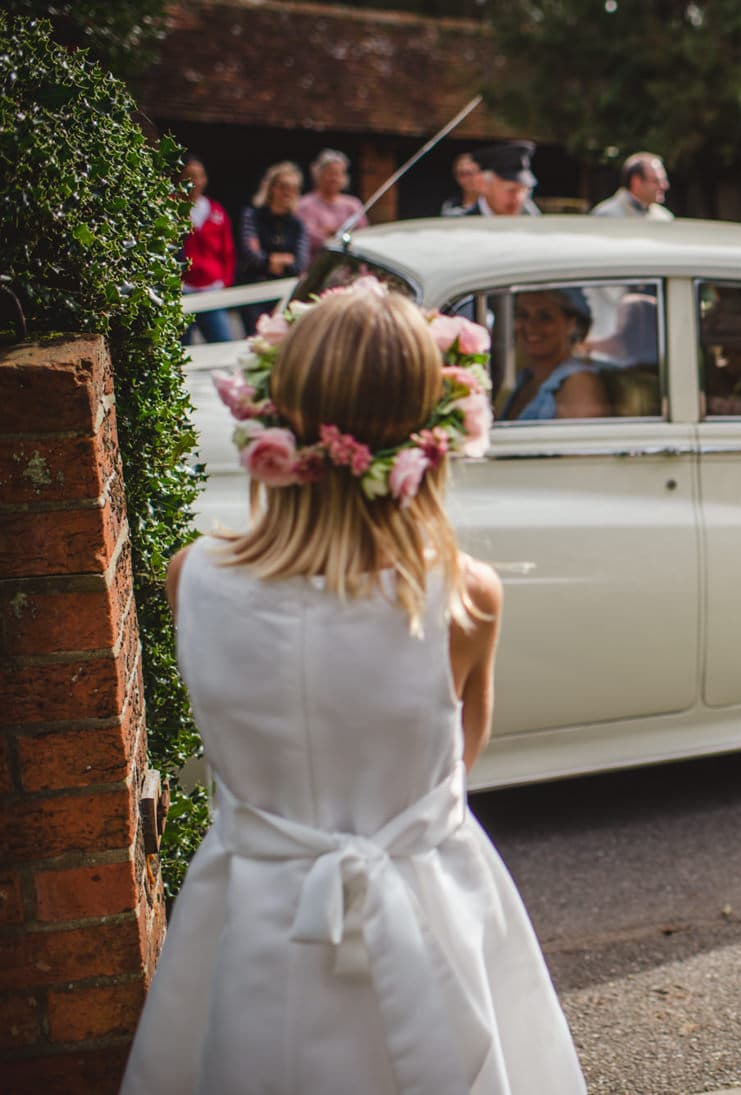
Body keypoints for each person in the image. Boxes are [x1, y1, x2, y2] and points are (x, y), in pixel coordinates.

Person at [119, 282, 586, 1095]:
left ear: (278, 409)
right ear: (430, 430)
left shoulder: (191, 575)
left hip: (250, 912)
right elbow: (454, 768)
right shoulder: (465, 599)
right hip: (426, 910)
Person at [500, 287, 610, 420]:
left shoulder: (578, 385)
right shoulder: (525, 378)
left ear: (571, 325)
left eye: (545, 317)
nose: (530, 326)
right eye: (522, 315)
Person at [237, 161, 309, 331]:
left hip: (284, 294)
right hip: (253, 292)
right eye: (283, 186)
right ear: (271, 188)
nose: (287, 192)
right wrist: (274, 260)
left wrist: (269, 259)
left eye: (293, 188)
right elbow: (250, 254)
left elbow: (300, 262)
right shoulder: (253, 216)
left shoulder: (298, 224)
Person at [180, 155, 235, 343]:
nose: (194, 182)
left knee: (223, 343)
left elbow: (227, 250)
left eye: (199, 176)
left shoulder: (216, 211)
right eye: (190, 176)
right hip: (182, 291)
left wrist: (224, 281)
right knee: (180, 348)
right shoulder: (170, 207)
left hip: (211, 290)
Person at [295, 148, 367, 255]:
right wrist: (337, 236)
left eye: (338, 174)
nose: (334, 178)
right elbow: (307, 237)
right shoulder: (304, 205)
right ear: (318, 174)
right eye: (330, 173)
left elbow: (363, 235)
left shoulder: (353, 205)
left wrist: (330, 232)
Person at [462, 141, 540, 217]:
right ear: (482, 184)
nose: (519, 198)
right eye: (511, 190)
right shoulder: (459, 225)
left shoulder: (533, 219)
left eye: (524, 190)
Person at [591, 152, 673, 221]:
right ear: (636, 181)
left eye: (664, 180)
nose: (664, 186)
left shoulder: (664, 217)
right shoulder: (607, 216)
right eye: (656, 181)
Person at [441, 152, 483, 216]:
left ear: (480, 173)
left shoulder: (490, 205)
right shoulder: (449, 205)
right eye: (461, 174)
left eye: (470, 173)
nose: (466, 179)